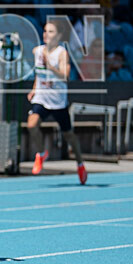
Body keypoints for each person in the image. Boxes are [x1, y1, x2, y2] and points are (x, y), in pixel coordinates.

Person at [27, 20, 87, 184]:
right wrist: (34, 89)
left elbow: (65, 76)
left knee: (69, 135)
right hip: (41, 98)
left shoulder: (61, 53)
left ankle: (80, 164)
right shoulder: (38, 51)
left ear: (59, 36)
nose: (46, 34)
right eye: (45, 31)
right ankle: (41, 154)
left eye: (51, 31)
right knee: (32, 125)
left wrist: (51, 67)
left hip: (58, 101)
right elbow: (39, 73)